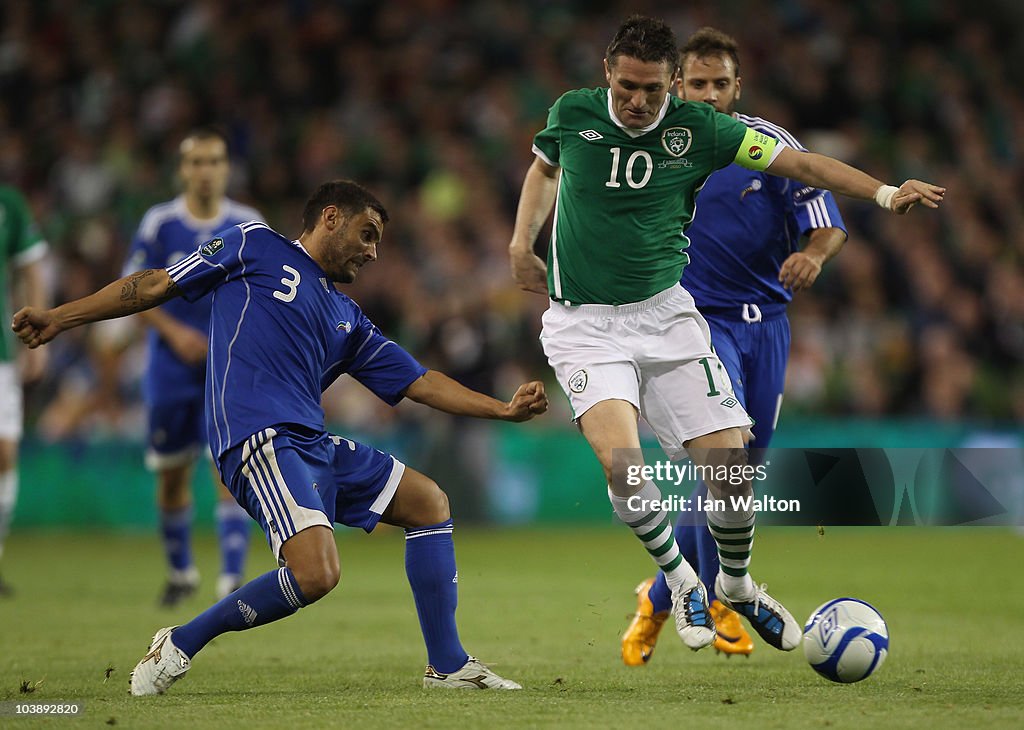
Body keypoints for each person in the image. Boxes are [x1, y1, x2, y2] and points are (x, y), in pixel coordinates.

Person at [508, 15, 943, 655]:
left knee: (731, 469)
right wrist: (522, 241)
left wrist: (882, 193)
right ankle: (682, 581)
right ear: (608, 75)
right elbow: (544, 170)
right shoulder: (573, 112)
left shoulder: (704, 131)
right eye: (626, 87)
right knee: (623, 466)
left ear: (670, 85)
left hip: (666, 316)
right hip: (585, 324)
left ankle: (736, 586)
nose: (636, 102)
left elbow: (803, 165)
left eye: (651, 91)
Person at [13, 180, 548, 694]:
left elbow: (420, 382)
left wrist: (501, 410)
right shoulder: (254, 244)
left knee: (429, 501)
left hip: (309, 442)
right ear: (330, 218)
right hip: (256, 436)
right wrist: (60, 317)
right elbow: (155, 284)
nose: (374, 253)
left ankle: (449, 664)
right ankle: (179, 641)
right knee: (316, 575)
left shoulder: (347, 317)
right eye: (367, 234)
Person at [621, 27, 848, 664]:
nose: (710, 95)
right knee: (725, 460)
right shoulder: (651, 148)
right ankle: (716, 597)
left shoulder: (767, 146)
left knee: (738, 474)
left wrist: (812, 254)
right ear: (676, 86)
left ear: (737, 87)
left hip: (768, 326)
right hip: (694, 322)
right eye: (698, 84)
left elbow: (825, 222)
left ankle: (664, 596)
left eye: (721, 84)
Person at [124, 128, 263, 606]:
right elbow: (133, 292)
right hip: (168, 368)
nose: (206, 171)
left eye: (214, 161)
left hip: (225, 368)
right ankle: (182, 571)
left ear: (227, 168)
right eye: (197, 162)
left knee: (227, 469)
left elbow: (259, 296)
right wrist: (174, 332)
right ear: (183, 170)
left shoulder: (247, 223)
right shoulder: (160, 223)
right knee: (172, 473)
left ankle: (231, 580)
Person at [0, 185, 48, 596]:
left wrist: (38, 327)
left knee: (4, 452)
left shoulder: (9, 202)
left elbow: (31, 266)